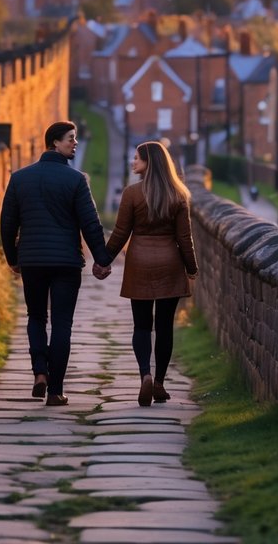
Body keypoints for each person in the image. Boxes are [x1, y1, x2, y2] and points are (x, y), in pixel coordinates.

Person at [0, 121, 112, 406]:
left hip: (33, 261)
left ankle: (40, 372)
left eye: (75, 139)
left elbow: (8, 224)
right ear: (54, 143)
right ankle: (55, 391)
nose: (75, 143)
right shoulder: (75, 180)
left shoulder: (19, 178)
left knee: (36, 317)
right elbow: (90, 223)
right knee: (62, 323)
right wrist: (102, 259)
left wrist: (13, 259)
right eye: (70, 139)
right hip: (66, 263)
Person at [94, 140, 198, 407]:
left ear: (149, 162)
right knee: (164, 328)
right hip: (169, 264)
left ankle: (145, 375)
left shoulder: (132, 194)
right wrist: (191, 268)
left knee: (142, 326)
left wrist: (102, 260)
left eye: (137, 158)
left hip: (139, 262)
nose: (132, 162)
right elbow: (185, 239)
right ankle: (160, 382)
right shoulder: (178, 195)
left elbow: (120, 234)